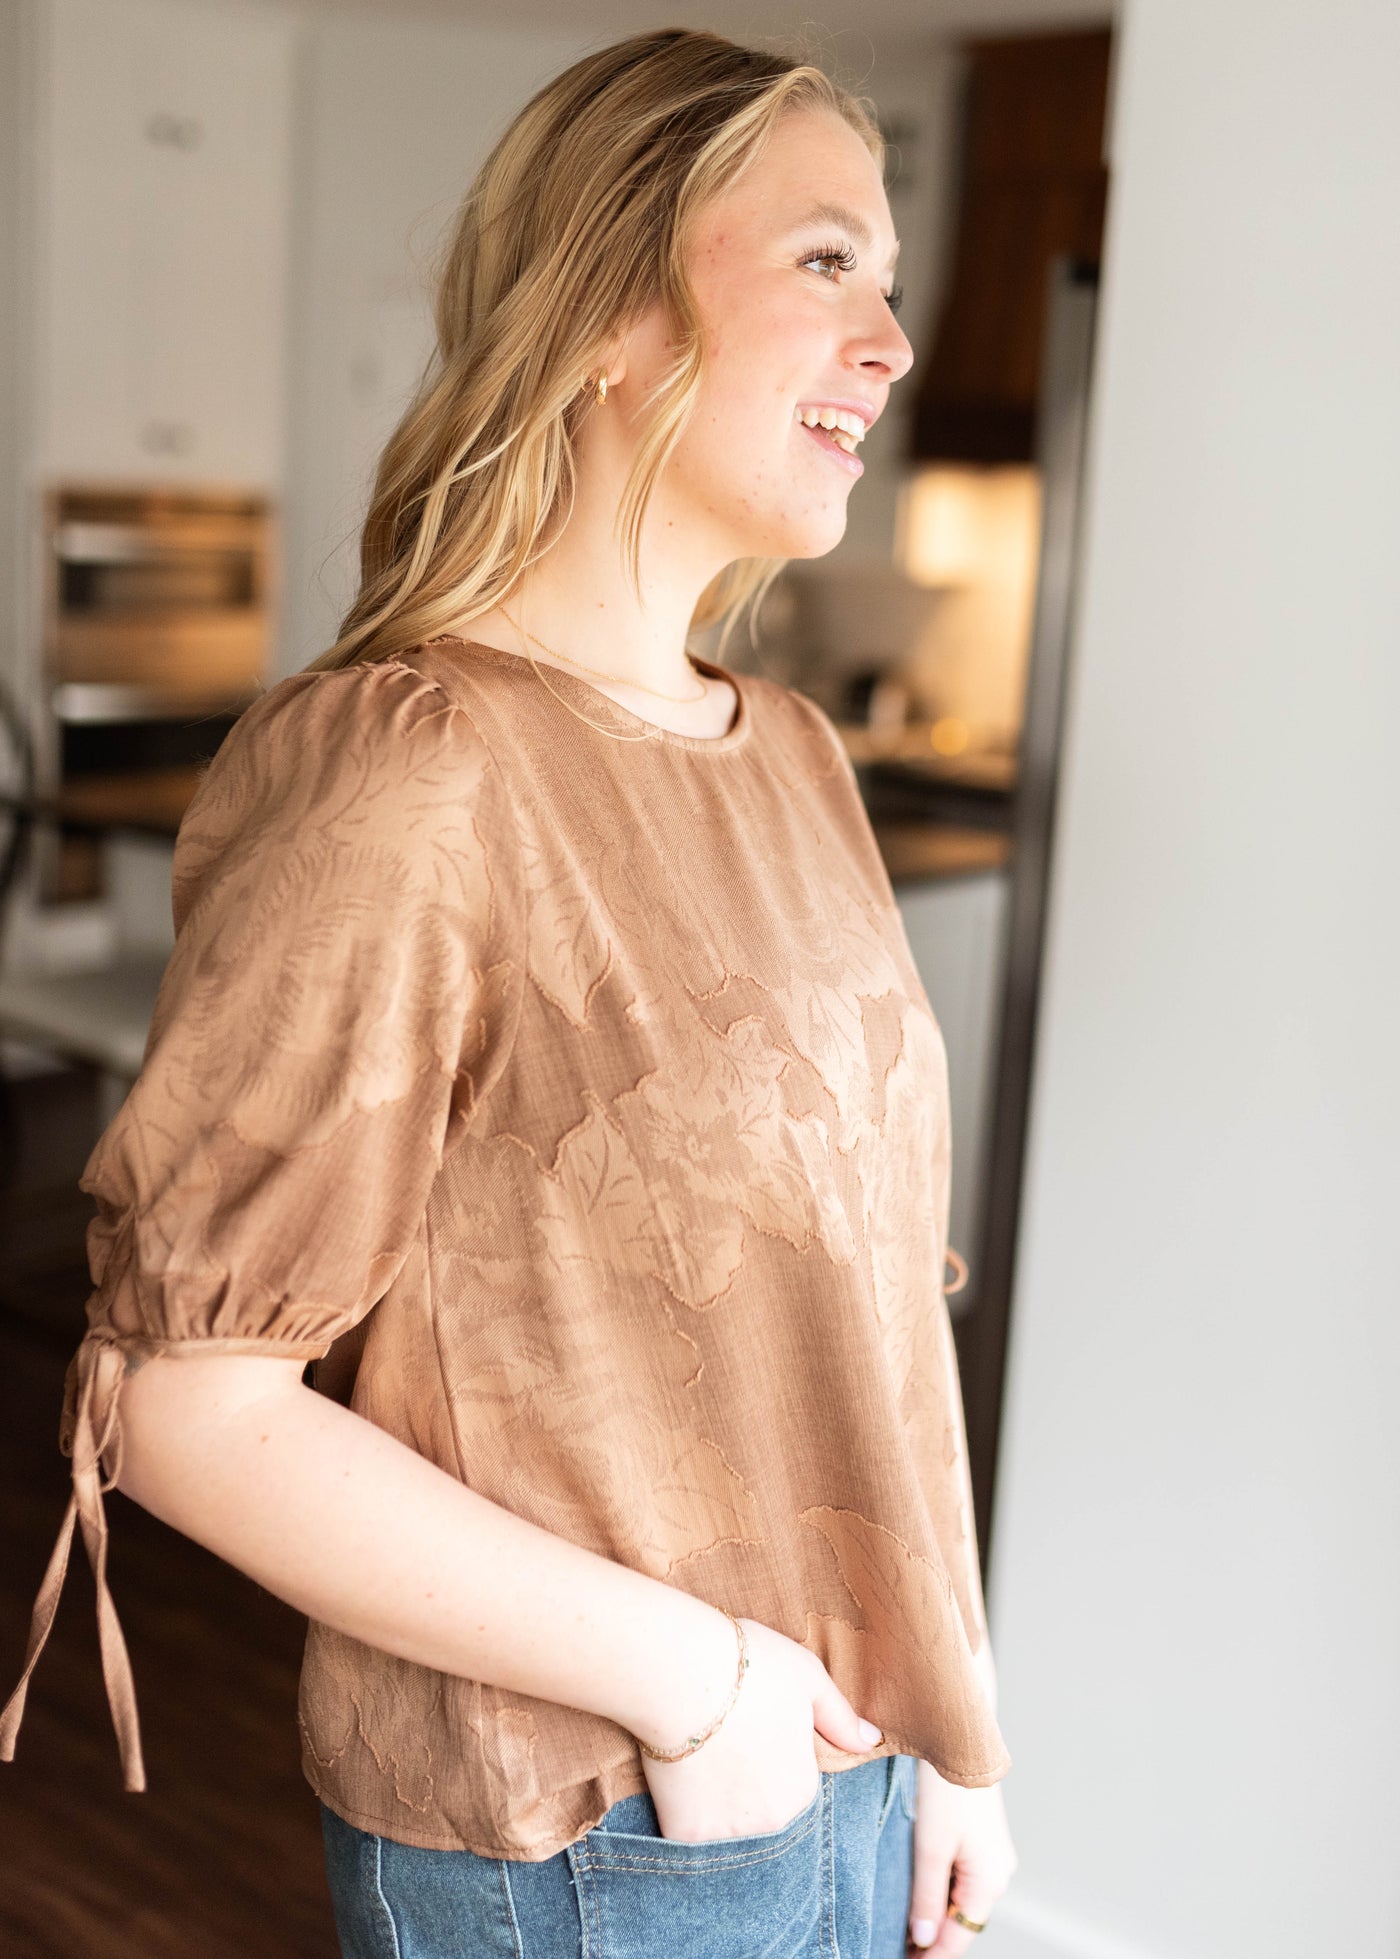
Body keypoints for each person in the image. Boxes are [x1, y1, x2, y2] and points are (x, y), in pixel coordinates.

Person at [1, 28, 1017, 1957]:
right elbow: (179, 1400)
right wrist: (698, 1692)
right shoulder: (414, 767)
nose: (892, 340)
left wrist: (953, 1733)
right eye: (825, 264)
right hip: (594, 1826)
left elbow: (874, 1307)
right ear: (612, 310)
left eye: (889, 276)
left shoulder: (795, 756)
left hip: (844, 1772)